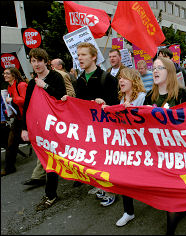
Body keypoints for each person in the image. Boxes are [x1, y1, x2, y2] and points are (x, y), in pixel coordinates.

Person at [62, 42, 119, 206]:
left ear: (94, 57)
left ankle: (112, 191)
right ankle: (102, 186)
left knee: (107, 161)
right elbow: (79, 103)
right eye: (78, 55)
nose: (79, 58)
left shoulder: (107, 78)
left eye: (83, 55)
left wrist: (104, 102)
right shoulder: (79, 80)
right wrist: (68, 101)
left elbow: (115, 104)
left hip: (105, 130)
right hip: (88, 131)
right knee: (96, 160)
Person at [144, 56, 186, 235]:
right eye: (153, 68)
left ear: (170, 72)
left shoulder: (183, 94)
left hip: (180, 153)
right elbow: (139, 125)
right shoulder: (150, 96)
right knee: (169, 192)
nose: (155, 71)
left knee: (172, 195)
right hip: (159, 153)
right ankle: (181, 209)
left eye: (160, 68)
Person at [21, 48, 67, 211]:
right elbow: (27, 106)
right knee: (49, 160)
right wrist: (24, 128)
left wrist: (45, 86)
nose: (36, 64)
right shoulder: (32, 82)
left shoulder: (55, 77)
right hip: (40, 128)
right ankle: (51, 194)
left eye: (39, 60)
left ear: (45, 61)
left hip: (56, 126)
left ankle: (79, 180)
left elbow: (62, 99)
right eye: (33, 61)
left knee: (58, 158)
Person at [101, 67, 146, 227]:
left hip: (142, 147)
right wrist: (107, 108)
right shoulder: (120, 99)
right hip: (125, 146)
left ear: (133, 81)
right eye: (120, 78)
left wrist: (132, 111)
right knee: (125, 179)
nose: (120, 81)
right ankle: (129, 212)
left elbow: (147, 119)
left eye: (125, 78)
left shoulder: (142, 97)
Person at [1, 67, 28, 176]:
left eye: (7, 73)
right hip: (18, 118)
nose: (5, 75)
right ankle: (9, 168)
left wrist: (12, 100)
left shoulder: (21, 85)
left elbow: (25, 99)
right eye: (4, 73)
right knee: (11, 143)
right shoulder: (10, 87)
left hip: (27, 118)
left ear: (14, 75)